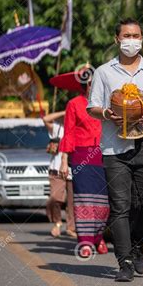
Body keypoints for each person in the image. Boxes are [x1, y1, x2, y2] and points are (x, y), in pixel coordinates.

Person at [87, 18, 143, 282]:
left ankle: (137, 243)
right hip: (114, 147)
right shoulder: (104, 72)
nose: (131, 40)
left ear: (142, 39)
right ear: (117, 40)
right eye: (126, 35)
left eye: (136, 35)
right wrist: (106, 113)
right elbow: (92, 106)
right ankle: (124, 262)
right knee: (120, 206)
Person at [59, 67, 109, 258]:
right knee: (84, 200)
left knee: (104, 203)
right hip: (81, 156)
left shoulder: (106, 103)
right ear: (85, 84)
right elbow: (69, 133)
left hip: (104, 155)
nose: (94, 85)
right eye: (90, 82)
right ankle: (86, 241)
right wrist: (64, 160)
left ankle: (98, 237)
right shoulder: (74, 104)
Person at [43, 110, 76, 239]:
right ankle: (57, 222)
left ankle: (71, 227)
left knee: (72, 202)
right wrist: (65, 111)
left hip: (73, 170)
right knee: (55, 198)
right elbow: (46, 118)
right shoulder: (57, 128)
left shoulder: (76, 128)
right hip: (56, 170)